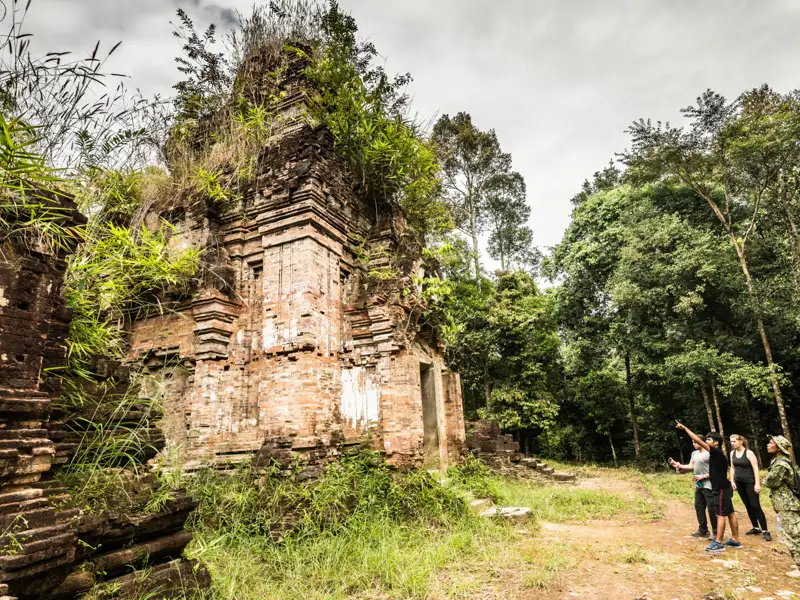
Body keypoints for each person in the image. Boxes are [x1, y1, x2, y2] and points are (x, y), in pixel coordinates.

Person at [675, 421, 741, 552]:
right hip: (724, 487)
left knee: (720, 515)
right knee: (730, 513)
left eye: (709, 440)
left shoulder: (716, 452)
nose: (706, 441)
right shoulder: (716, 454)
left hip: (720, 488)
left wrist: (685, 428)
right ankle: (735, 540)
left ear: (716, 443)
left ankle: (718, 542)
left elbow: (697, 440)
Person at [764, 435, 800, 578]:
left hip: (787, 504)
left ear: (778, 447)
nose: (768, 445)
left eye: (771, 443)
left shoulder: (780, 464)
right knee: (793, 533)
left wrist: (765, 480)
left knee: (793, 535)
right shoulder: (779, 461)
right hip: (786, 503)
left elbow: (771, 482)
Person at [668, 441, 717, 539]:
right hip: (699, 485)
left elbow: (716, 470)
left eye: (695, 442)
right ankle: (703, 529)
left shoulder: (709, 453)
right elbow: (691, 466)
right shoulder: (694, 453)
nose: (693, 444)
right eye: (692, 442)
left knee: (711, 508)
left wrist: (703, 476)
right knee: (698, 506)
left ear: (701, 442)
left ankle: (716, 532)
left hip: (709, 484)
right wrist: (679, 465)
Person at [730, 434, 771, 541]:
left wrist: (757, 484)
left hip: (750, 482)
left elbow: (755, 468)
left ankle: (765, 530)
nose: (732, 443)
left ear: (741, 441)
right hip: (739, 482)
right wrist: (732, 481)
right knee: (747, 505)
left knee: (755, 505)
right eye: (731, 441)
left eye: (734, 441)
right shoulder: (732, 453)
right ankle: (755, 527)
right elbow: (732, 468)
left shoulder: (749, 453)